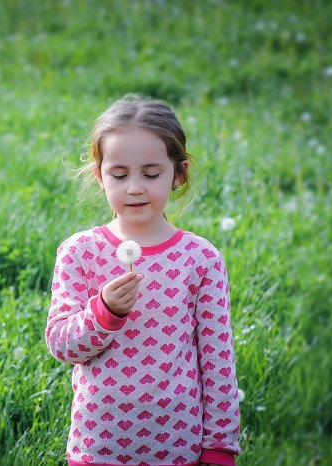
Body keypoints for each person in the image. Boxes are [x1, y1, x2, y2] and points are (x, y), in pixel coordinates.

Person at [45, 95, 241, 466]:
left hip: (177, 447)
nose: (134, 187)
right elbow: (61, 345)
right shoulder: (79, 252)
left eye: (151, 174)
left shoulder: (201, 259)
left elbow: (218, 362)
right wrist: (103, 313)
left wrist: (219, 446)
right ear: (99, 175)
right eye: (119, 174)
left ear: (178, 174)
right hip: (98, 445)